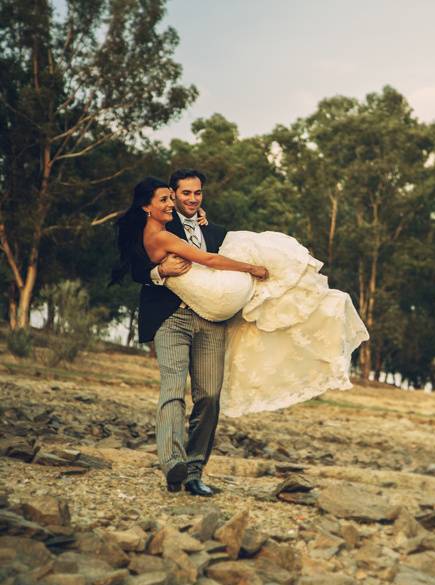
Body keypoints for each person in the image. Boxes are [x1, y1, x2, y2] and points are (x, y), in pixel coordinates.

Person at [114, 172, 369, 494]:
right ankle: (172, 463)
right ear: (173, 196)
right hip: (171, 320)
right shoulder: (161, 227)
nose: (192, 199)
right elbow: (135, 266)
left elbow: (222, 258)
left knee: (210, 396)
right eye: (185, 194)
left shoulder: (215, 232)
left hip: (211, 323)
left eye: (198, 193)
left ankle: (194, 472)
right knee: (173, 389)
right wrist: (158, 272)